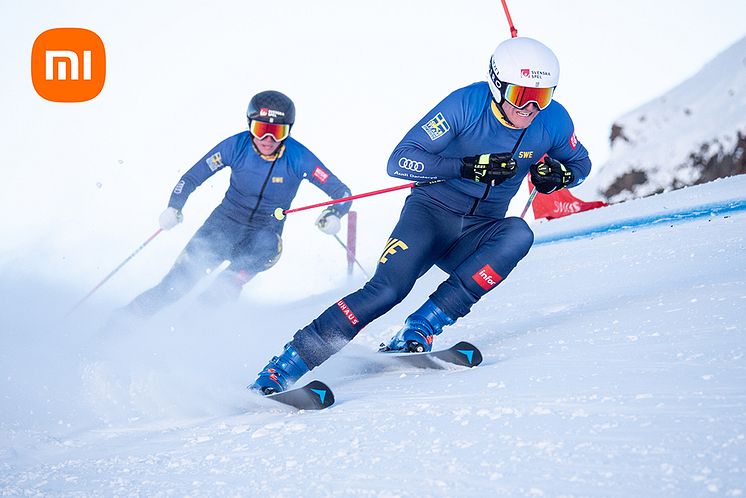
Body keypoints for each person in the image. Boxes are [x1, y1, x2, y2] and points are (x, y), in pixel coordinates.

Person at [249, 37, 592, 394]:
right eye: (522, 95)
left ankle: (420, 328)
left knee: (519, 233)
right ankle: (281, 370)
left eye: (543, 96)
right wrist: (466, 167)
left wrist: (561, 175)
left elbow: (581, 164)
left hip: (479, 231)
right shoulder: (464, 106)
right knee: (387, 291)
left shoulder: (554, 121)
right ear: (497, 84)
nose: (532, 108)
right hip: (430, 217)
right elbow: (399, 160)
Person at [120, 90, 352, 317]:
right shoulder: (235, 146)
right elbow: (190, 178)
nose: (267, 140)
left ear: (288, 131)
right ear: (249, 125)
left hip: (263, 236)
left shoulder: (298, 157)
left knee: (226, 287)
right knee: (174, 286)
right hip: (222, 226)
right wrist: (174, 206)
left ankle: (192, 330)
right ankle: (122, 322)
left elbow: (342, 192)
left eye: (277, 132)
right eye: (260, 130)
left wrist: (334, 213)